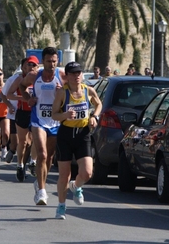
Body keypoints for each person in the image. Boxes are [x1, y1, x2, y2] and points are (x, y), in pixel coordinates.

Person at [51, 61, 102, 220]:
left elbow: (98, 103)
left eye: (79, 73)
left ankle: (76, 186)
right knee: (64, 175)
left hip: (83, 134)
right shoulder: (62, 93)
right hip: (66, 134)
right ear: (67, 76)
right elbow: (54, 114)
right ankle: (61, 206)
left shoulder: (89, 90)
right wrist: (65, 115)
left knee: (87, 172)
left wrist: (94, 116)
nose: (77, 76)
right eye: (73, 73)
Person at [19, 47, 67, 205]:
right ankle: (41, 191)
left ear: (57, 61)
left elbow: (74, 93)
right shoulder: (34, 75)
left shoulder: (61, 76)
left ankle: (40, 182)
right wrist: (28, 99)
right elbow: (22, 87)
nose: (51, 64)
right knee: (42, 154)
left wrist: (64, 93)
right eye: (48, 61)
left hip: (55, 121)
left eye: (54, 61)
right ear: (43, 61)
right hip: (38, 120)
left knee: (50, 157)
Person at [6, 56, 39, 181]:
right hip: (23, 112)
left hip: (36, 113)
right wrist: (23, 98)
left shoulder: (40, 79)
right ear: (24, 67)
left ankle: (33, 162)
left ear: (37, 67)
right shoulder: (20, 79)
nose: (31, 67)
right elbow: (9, 94)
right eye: (29, 65)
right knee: (23, 142)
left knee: (36, 139)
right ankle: (20, 165)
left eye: (34, 65)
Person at [0, 63, 23, 164]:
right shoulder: (12, 79)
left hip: (30, 114)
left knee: (28, 141)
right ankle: (12, 150)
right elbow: (3, 94)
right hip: (15, 114)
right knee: (16, 141)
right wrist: (9, 105)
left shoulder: (36, 79)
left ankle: (23, 163)